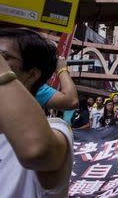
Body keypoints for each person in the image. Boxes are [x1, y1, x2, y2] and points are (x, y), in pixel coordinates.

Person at [0, 28, 73, 196]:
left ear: (31, 75)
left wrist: (62, 70)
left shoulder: (56, 130)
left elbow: (36, 150)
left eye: (4, 57)